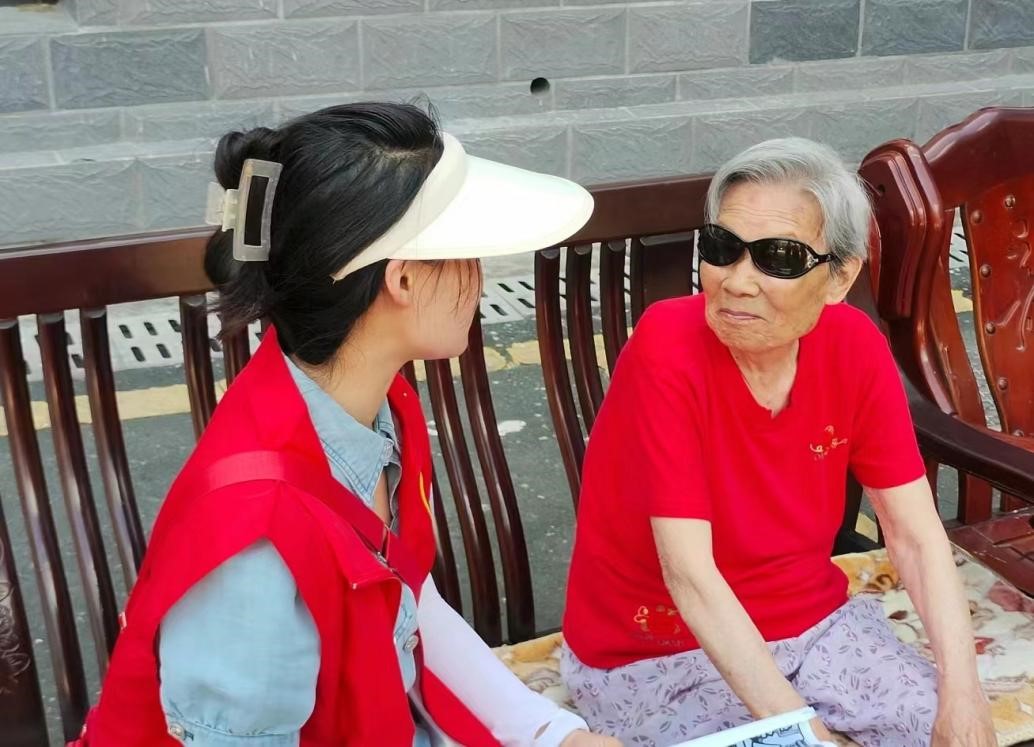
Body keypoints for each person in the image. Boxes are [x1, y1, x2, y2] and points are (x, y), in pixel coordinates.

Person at [73, 102, 620, 747]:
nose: (480, 278)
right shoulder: (255, 544)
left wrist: (553, 733)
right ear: (404, 278)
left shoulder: (371, 405)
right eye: (468, 253)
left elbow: (406, 597)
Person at [560, 138, 996, 747]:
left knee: (945, 732)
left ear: (840, 276)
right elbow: (690, 576)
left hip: (815, 625)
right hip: (661, 652)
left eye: (780, 258)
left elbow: (916, 536)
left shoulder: (854, 347)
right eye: (722, 248)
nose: (738, 282)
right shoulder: (667, 347)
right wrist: (801, 731)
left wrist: (964, 695)